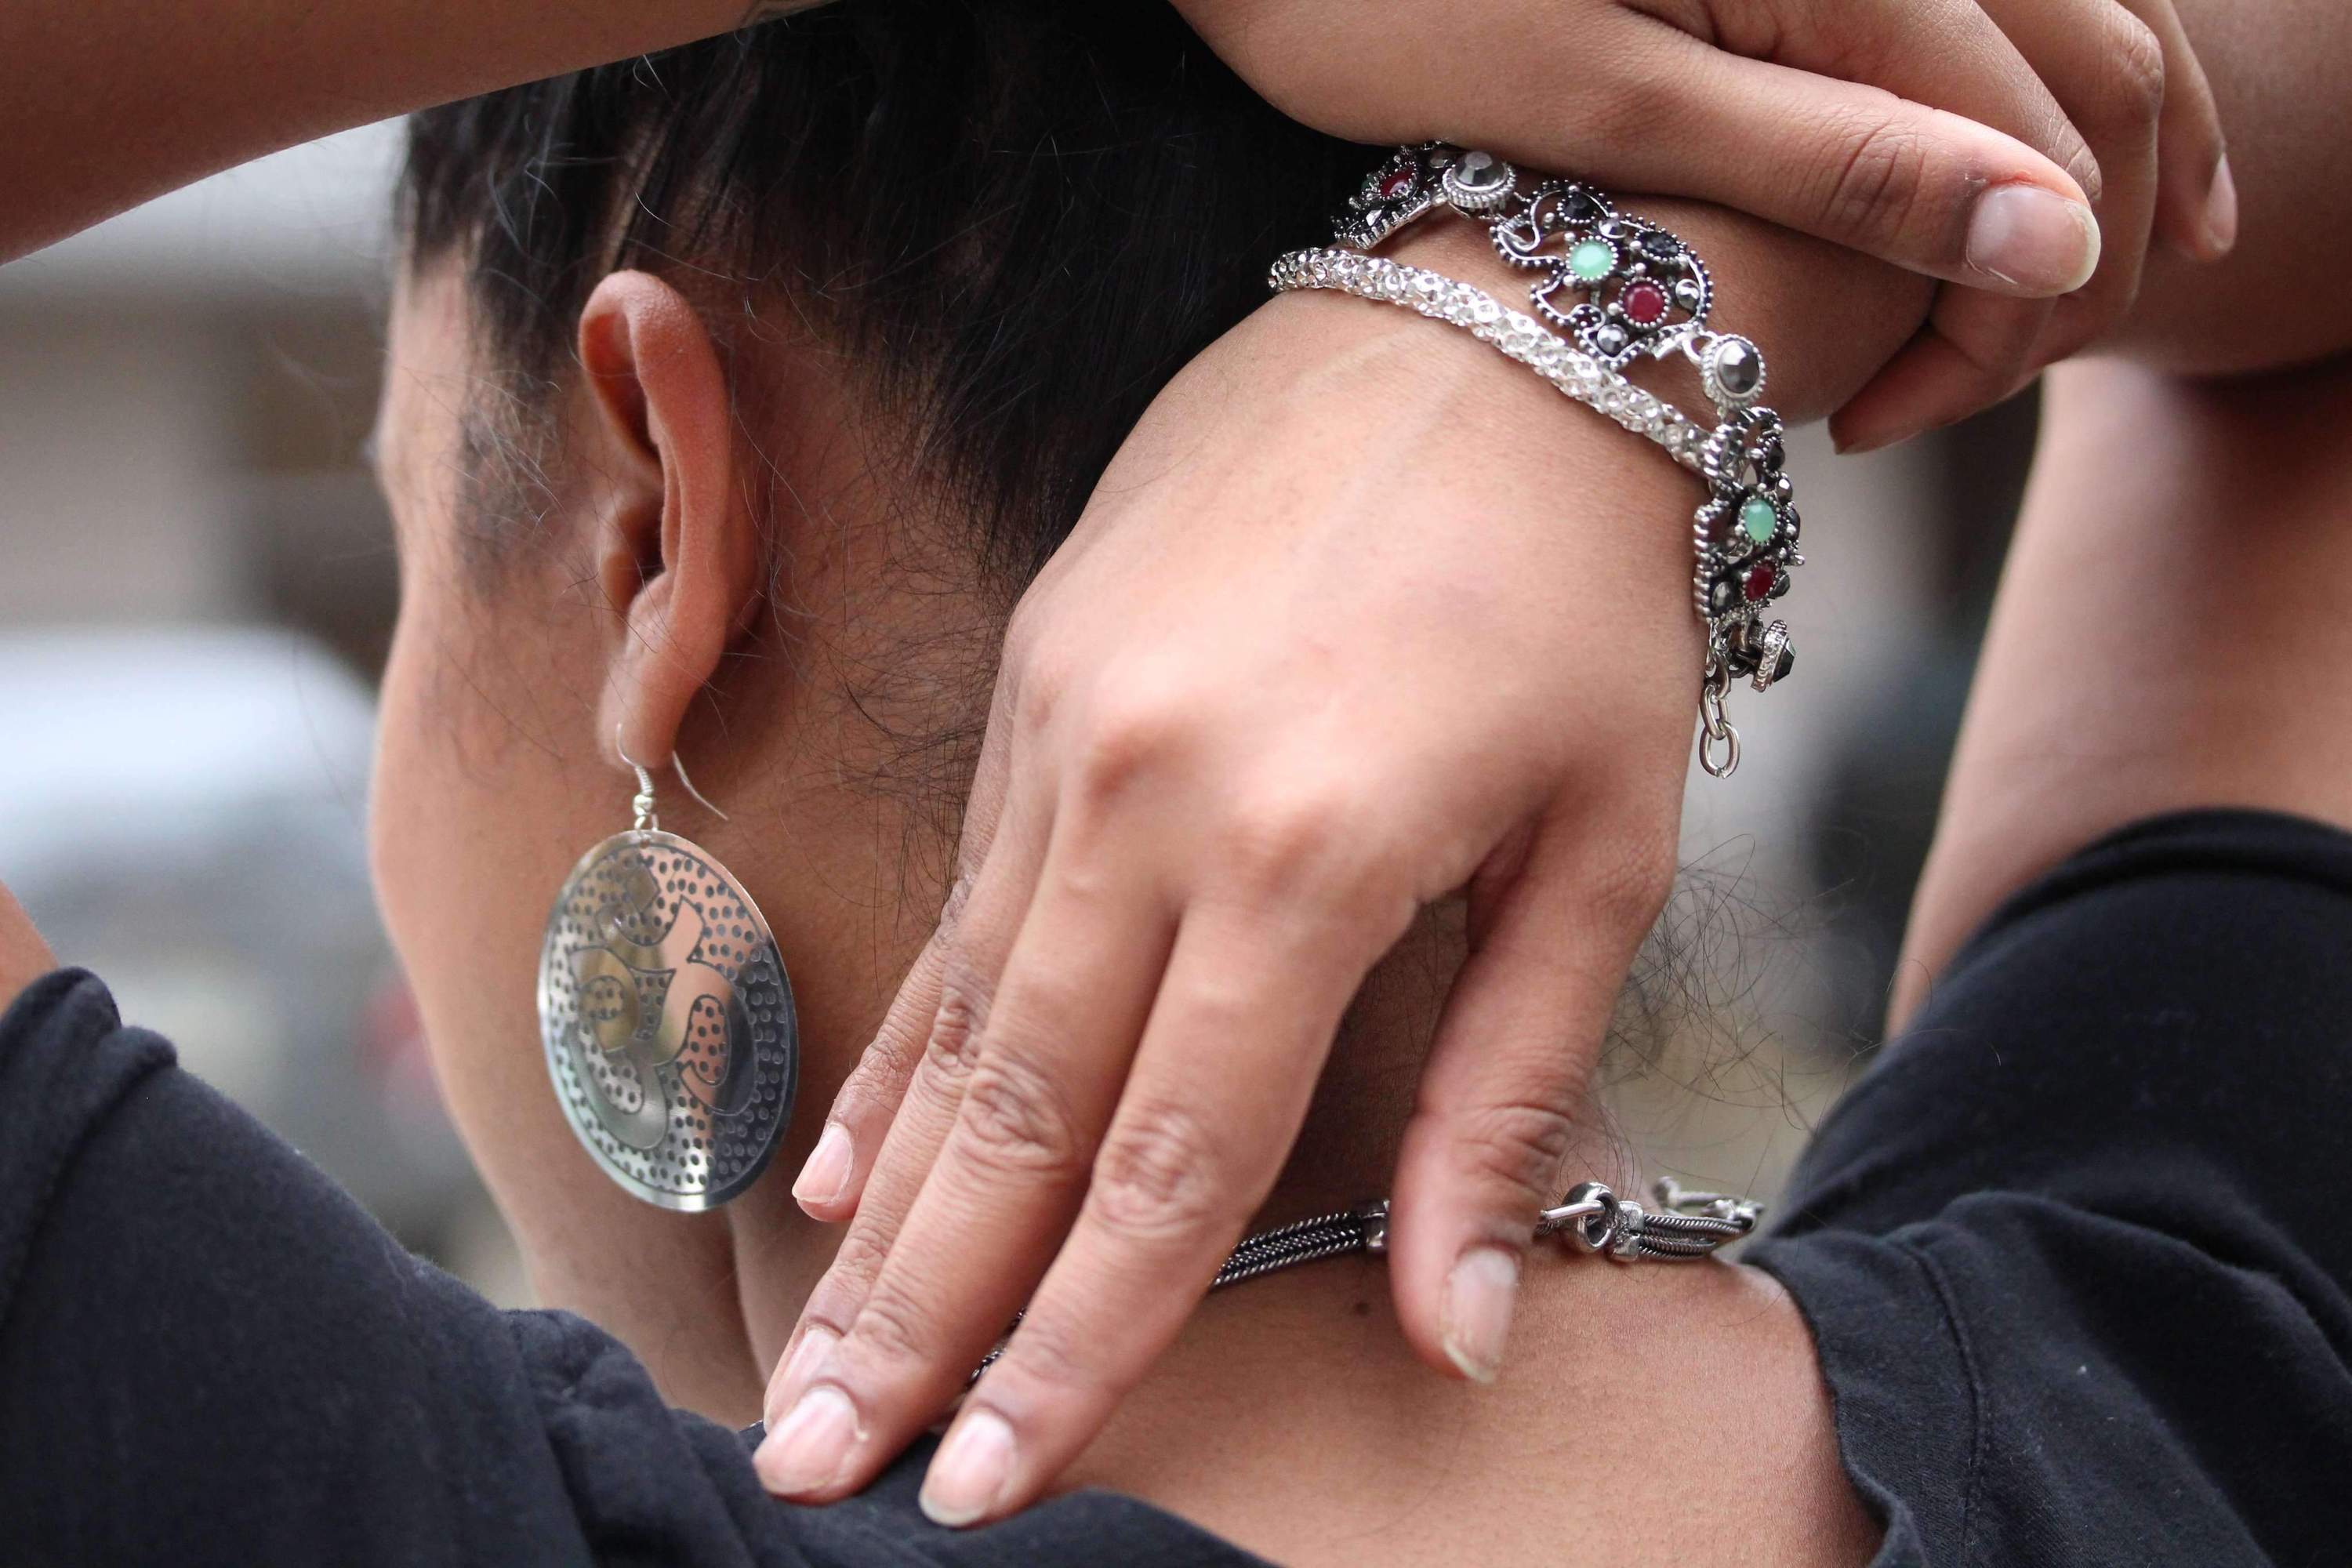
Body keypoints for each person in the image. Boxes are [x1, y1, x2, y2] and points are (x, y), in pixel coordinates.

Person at [4, 2, 2350, 1565]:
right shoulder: (2199, 1361)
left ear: (654, 529)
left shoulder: (277, 1483)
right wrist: (1578, 309)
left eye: (425, 545)